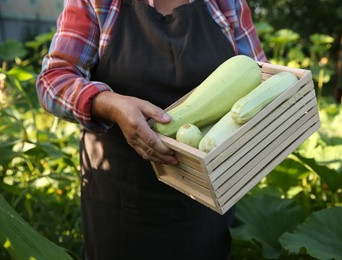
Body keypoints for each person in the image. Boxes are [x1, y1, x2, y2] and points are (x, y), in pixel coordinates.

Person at [36, 0, 267, 259]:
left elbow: (257, 74)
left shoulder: (227, 4)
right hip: (120, 198)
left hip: (208, 196)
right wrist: (110, 104)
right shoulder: (97, 3)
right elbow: (53, 81)